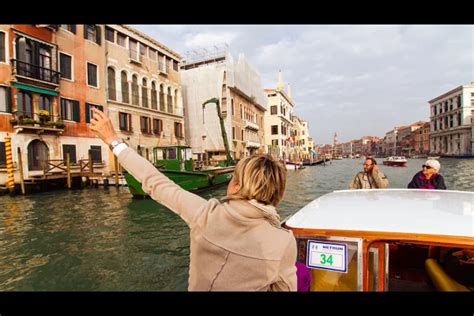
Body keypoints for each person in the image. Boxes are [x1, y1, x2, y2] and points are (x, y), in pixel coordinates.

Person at [89, 108, 297, 291]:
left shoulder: (205, 213)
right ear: (277, 193)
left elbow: (154, 181)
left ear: (236, 186)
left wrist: (113, 140)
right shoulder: (284, 242)